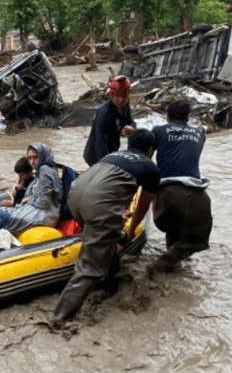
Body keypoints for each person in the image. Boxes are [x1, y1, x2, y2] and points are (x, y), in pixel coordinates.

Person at [54, 129, 161, 322]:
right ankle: (59, 319)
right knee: (89, 268)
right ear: (151, 151)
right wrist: (129, 231)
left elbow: (105, 186)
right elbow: (143, 205)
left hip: (75, 198)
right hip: (96, 205)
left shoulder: (112, 156)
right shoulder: (150, 167)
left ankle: (110, 282)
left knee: (105, 239)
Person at [126, 100, 212, 276]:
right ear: (188, 117)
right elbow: (182, 151)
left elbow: (145, 145)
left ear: (167, 117)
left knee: (173, 228)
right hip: (194, 194)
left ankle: (166, 268)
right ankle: (160, 266)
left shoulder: (158, 131)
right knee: (195, 239)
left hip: (164, 195)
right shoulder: (199, 135)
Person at [0, 143, 62, 234]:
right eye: (30, 158)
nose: (32, 161)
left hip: (44, 215)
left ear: (42, 156)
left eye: (35, 157)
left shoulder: (44, 171)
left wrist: (26, 200)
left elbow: (44, 201)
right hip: (42, 212)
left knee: (0, 213)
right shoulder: (44, 171)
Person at [82, 75, 136, 167]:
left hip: (112, 148)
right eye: (117, 96)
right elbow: (100, 144)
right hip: (94, 155)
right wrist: (105, 166)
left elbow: (131, 122)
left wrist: (131, 127)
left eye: (124, 96)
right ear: (111, 95)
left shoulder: (125, 108)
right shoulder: (104, 113)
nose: (120, 100)